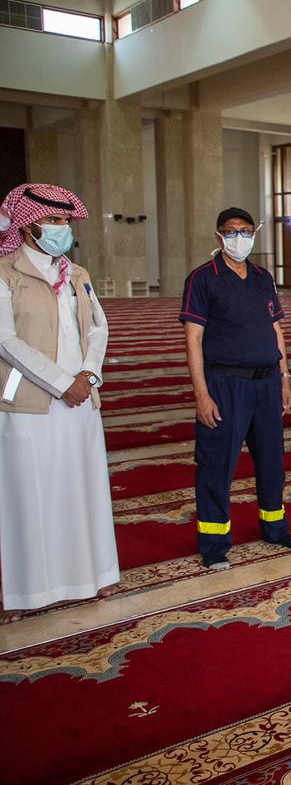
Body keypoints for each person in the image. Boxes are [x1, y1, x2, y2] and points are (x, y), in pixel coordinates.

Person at [0, 183, 118, 616]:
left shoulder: (77, 274)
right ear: (27, 226)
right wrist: (59, 383)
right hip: (29, 403)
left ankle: (94, 575)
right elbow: (5, 340)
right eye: (53, 220)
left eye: (65, 220)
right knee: (29, 494)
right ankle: (26, 592)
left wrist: (87, 375)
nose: (62, 228)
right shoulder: (6, 273)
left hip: (81, 398)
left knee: (82, 487)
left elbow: (98, 328)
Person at [179, 207, 291, 570]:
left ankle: (275, 528)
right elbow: (193, 338)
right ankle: (214, 542)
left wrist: (285, 378)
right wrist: (201, 394)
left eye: (247, 231)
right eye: (232, 231)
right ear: (219, 236)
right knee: (217, 463)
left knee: (272, 461)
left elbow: (276, 330)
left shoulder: (263, 277)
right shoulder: (203, 278)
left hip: (266, 383)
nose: (240, 238)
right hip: (225, 384)